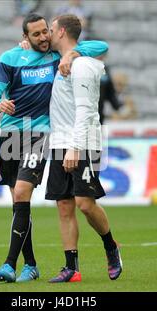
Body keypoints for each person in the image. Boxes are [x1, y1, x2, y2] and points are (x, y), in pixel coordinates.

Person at [0, 13, 108, 283]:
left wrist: (71, 53)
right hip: (11, 134)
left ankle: (8, 264)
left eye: (46, 32)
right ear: (25, 37)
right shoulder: (10, 58)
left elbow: (100, 47)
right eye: (37, 34)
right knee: (18, 202)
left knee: (21, 190)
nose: (43, 37)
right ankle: (30, 264)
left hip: (40, 133)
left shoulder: (56, 58)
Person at [45, 14, 122, 282]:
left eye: (51, 29)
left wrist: (75, 148)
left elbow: (86, 110)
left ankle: (111, 247)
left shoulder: (82, 66)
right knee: (64, 206)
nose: (47, 33)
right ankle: (71, 268)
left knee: (85, 204)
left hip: (83, 143)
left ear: (62, 31)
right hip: (58, 142)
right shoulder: (58, 60)